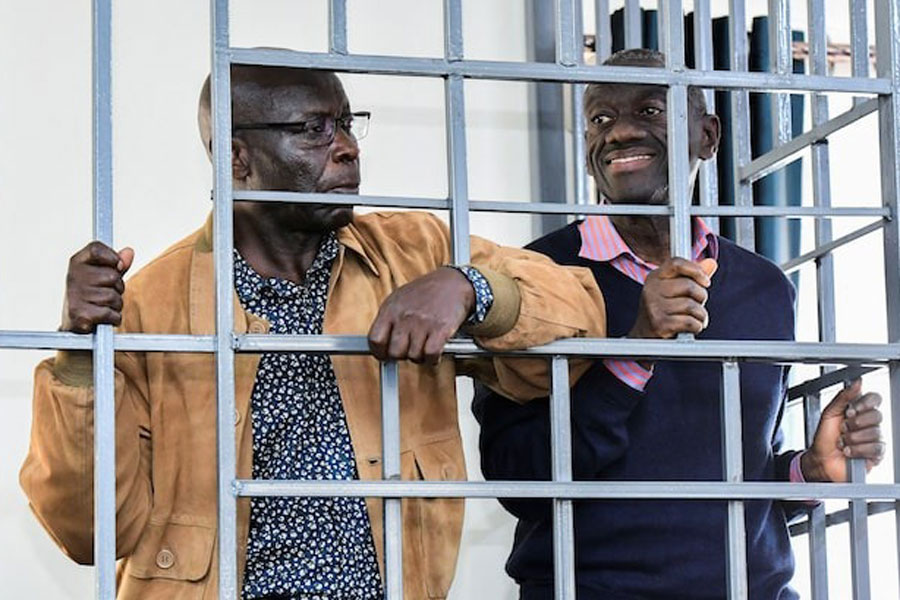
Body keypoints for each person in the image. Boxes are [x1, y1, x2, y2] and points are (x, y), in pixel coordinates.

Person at [20, 66, 607, 600]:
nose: (347, 149)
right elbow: (90, 533)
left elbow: (578, 310)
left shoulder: (415, 252)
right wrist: (78, 354)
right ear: (235, 157)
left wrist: (468, 289)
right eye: (313, 129)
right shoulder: (150, 304)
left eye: (347, 125)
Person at [473, 49, 886, 600]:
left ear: (708, 137)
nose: (618, 132)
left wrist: (812, 472)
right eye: (599, 119)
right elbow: (518, 481)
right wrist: (637, 346)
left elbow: (738, 475)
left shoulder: (762, 288)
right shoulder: (534, 276)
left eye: (649, 111)